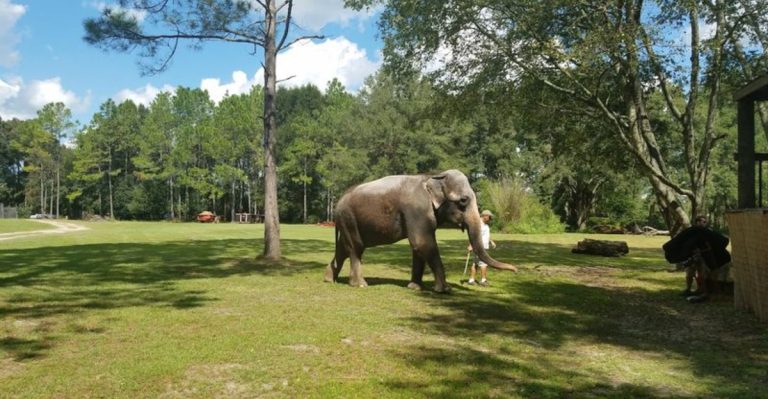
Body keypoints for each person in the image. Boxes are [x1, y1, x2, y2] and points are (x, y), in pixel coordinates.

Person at [467, 210, 497, 287]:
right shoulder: (478, 224)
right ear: (485, 216)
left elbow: (485, 235)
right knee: (484, 263)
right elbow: (473, 235)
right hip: (479, 247)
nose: (490, 219)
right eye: (489, 217)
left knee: (476, 263)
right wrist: (471, 245)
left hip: (483, 247)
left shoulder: (485, 225)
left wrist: (491, 241)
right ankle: (483, 280)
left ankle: (471, 280)